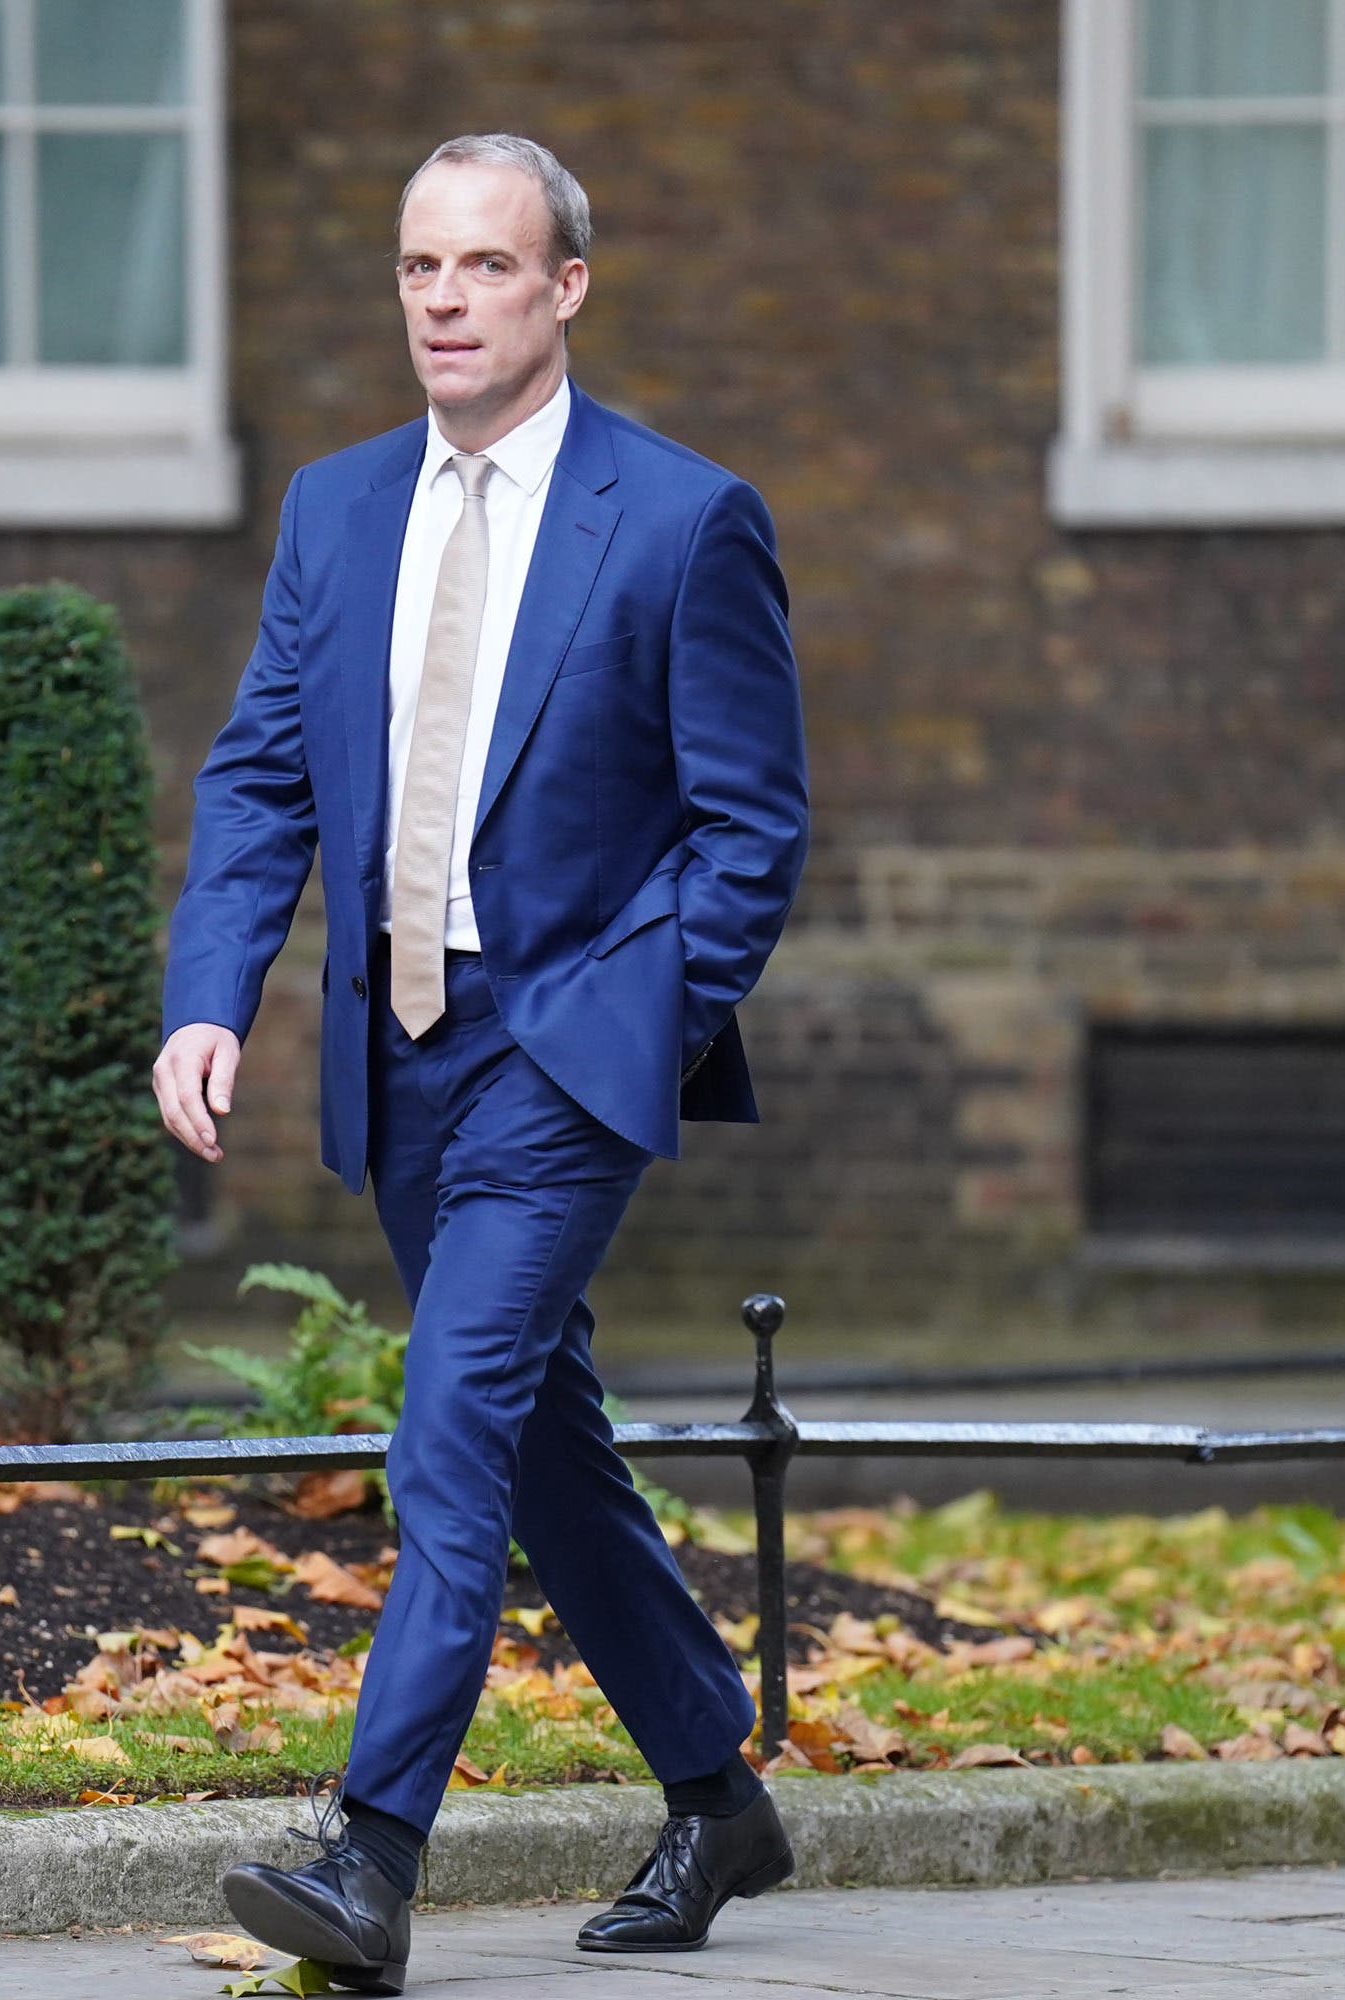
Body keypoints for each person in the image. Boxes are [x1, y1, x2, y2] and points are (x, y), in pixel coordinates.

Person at [151, 132, 809, 1993]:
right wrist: (213, 994)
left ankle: (370, 1854)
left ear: (566, 288)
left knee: (449, 1424)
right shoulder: (337, 507)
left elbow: (750, 830)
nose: (444, 301)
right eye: (419, 269)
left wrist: (640, 1025)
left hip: (564, 1060)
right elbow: (265, 771)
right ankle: (716, 1791)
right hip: (402, 1053)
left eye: (486, 269)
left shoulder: (683, 519)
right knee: (539, 1445)